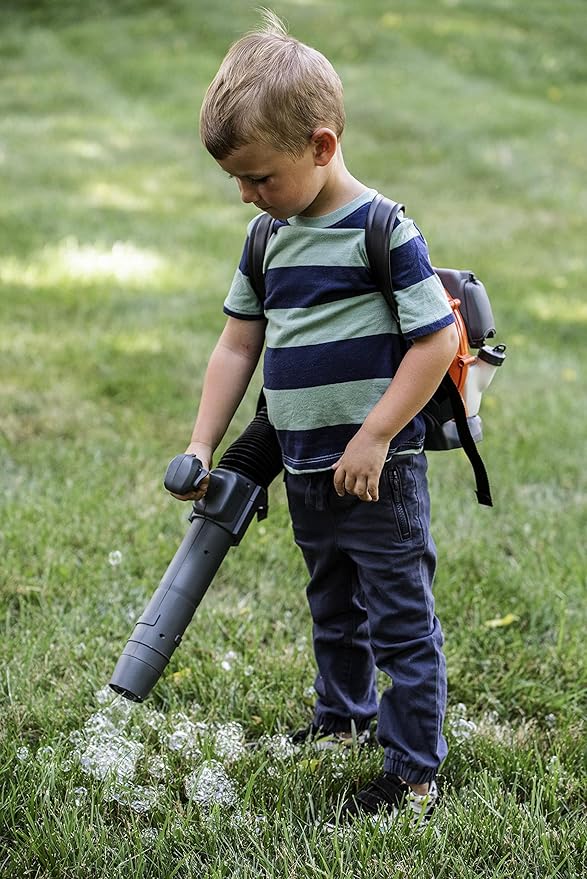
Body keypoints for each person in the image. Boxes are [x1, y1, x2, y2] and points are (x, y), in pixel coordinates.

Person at [170, 10, 459, 826]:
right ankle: (342, 719)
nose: (246, 195)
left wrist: (374, 435)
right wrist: (202, 441)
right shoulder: (268, 237)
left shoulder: (381, 229)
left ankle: (409, 774)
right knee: (331, 607)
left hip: (377, 472)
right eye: (237, 180)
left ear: (322, 146)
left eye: (259, 177)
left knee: (398, 619)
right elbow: (236, 347)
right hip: (303, 469)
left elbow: (436, 341)